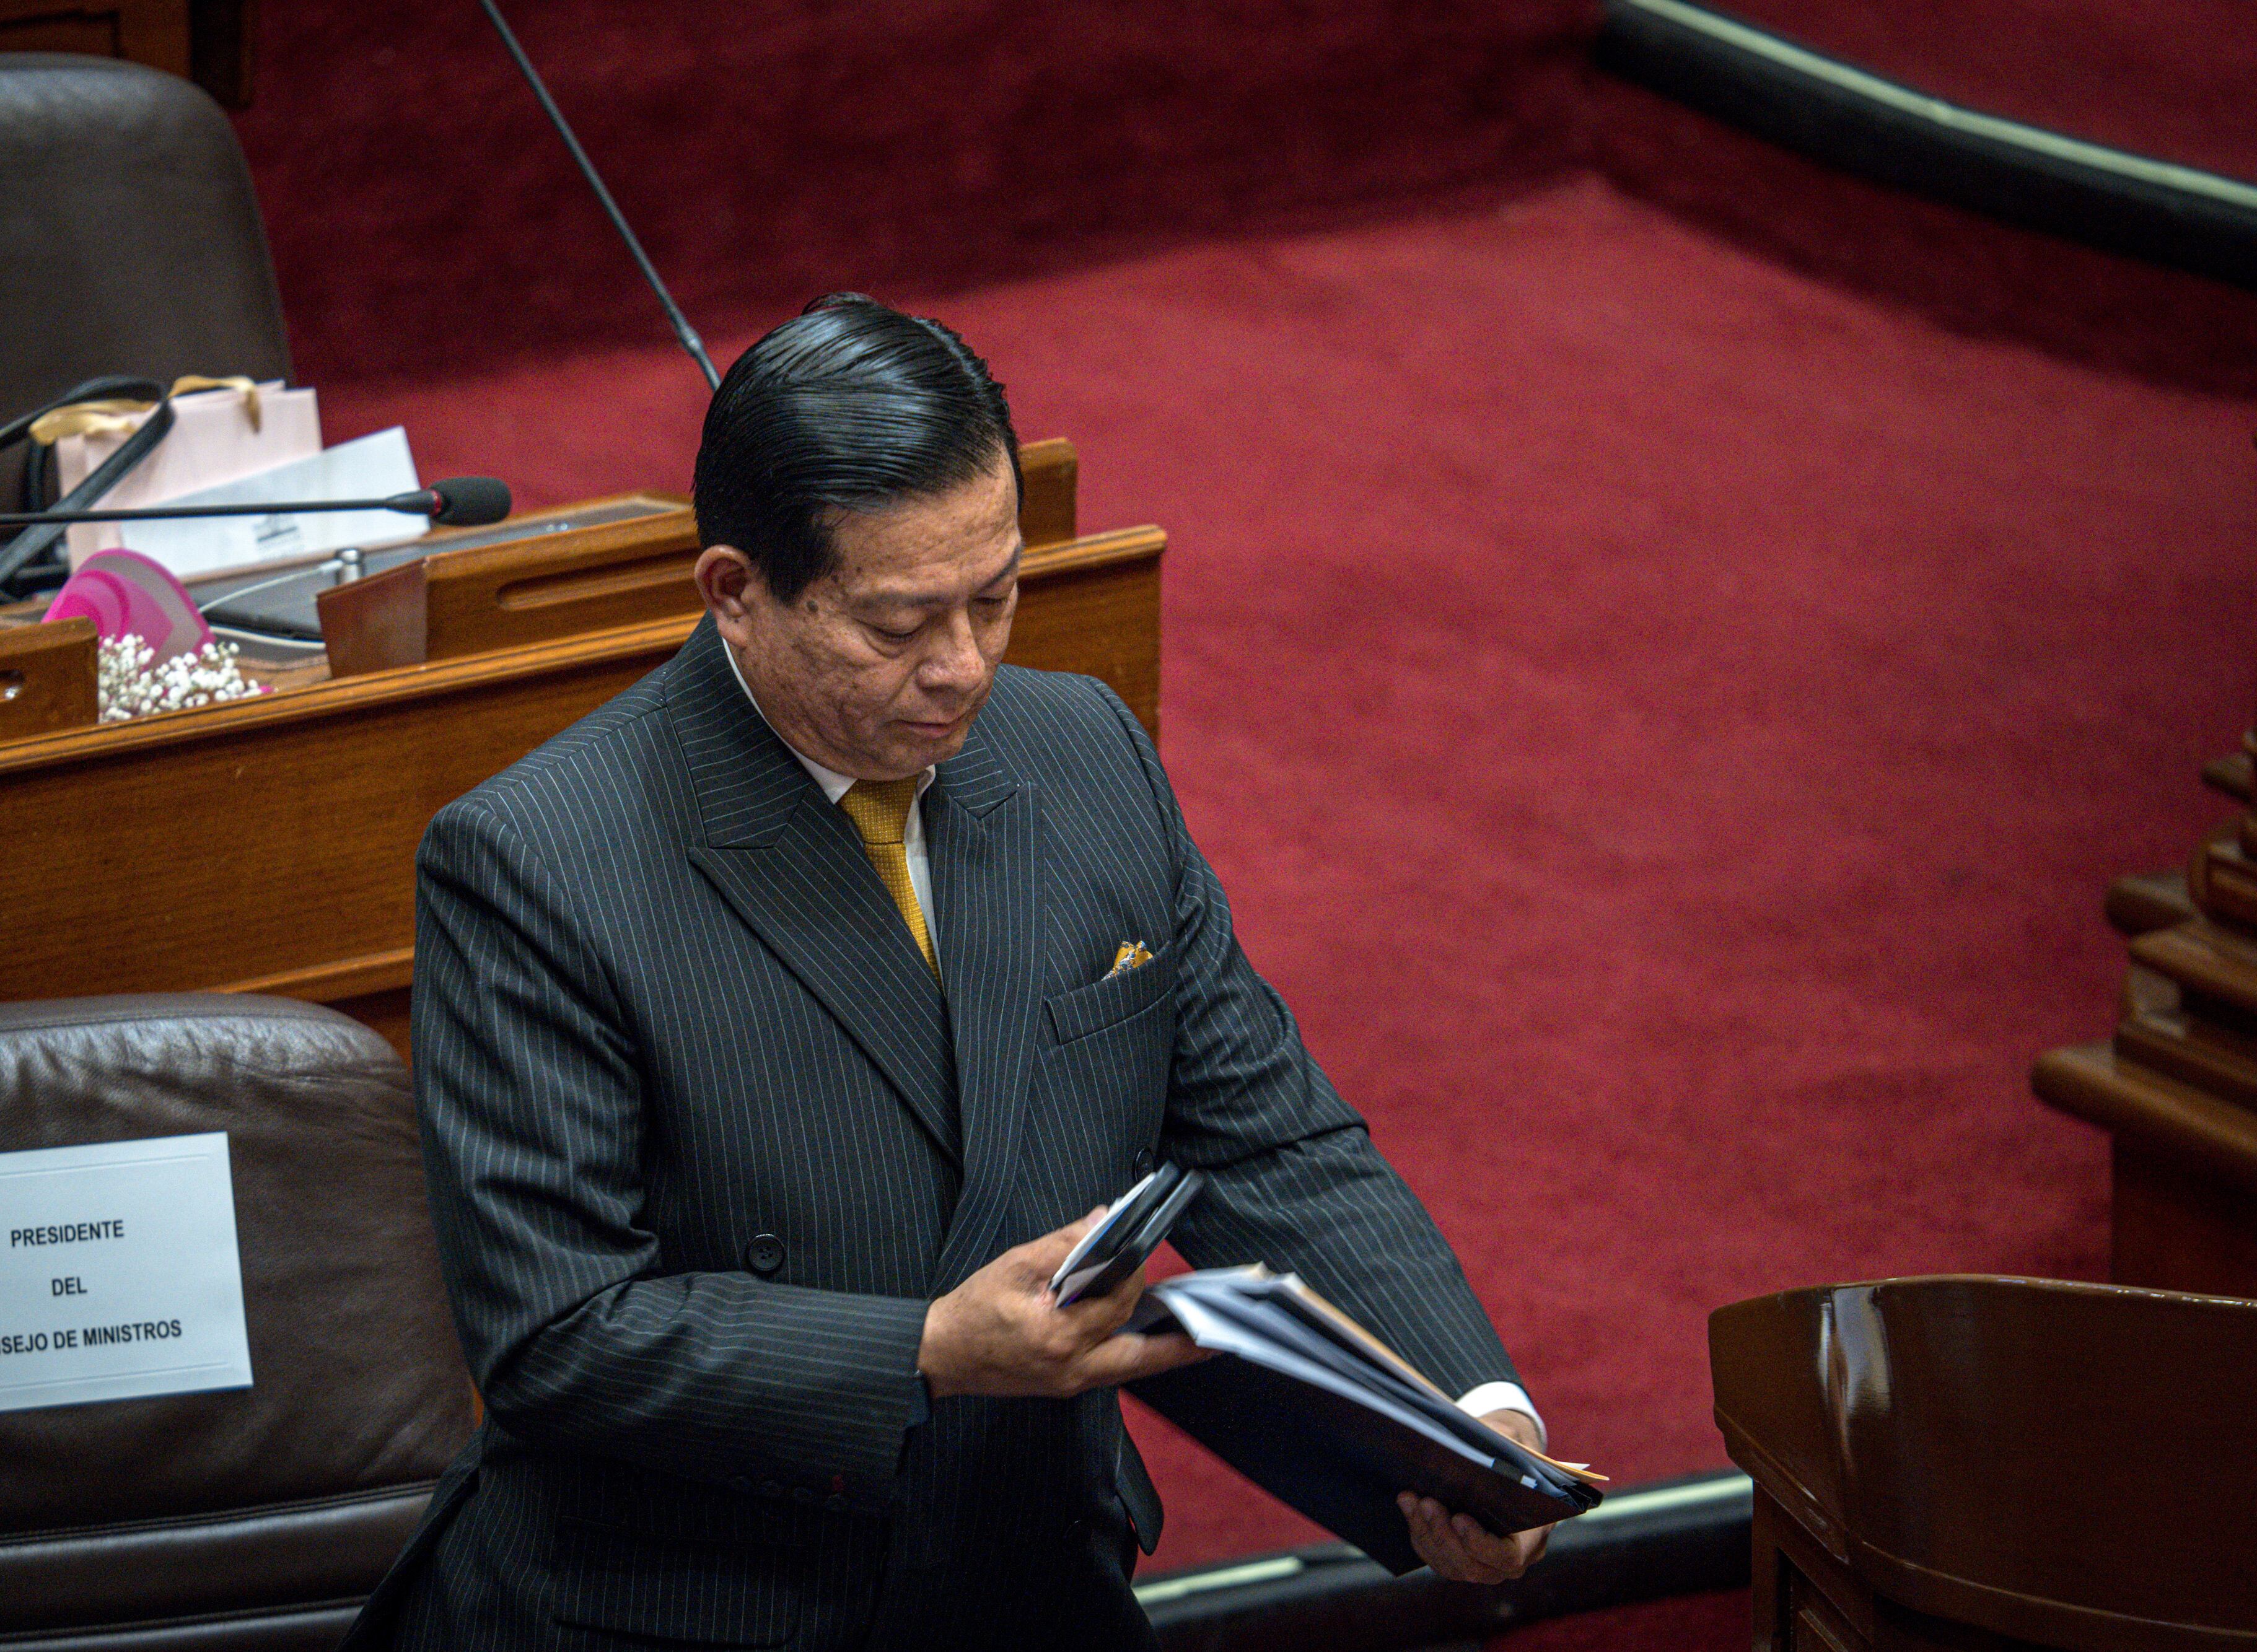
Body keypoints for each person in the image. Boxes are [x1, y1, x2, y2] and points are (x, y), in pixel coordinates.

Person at [349, 294, 1553, 1652]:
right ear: (735, 594)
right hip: (690, 1607)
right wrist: (920, 1349)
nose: (964, 669)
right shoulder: (533, 862)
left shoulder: (1082, 750)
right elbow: (556, 1332)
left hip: (1026, 1578)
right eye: (897, 623)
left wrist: (1474, 1416)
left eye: (995, 596)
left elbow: (1266, 1134)